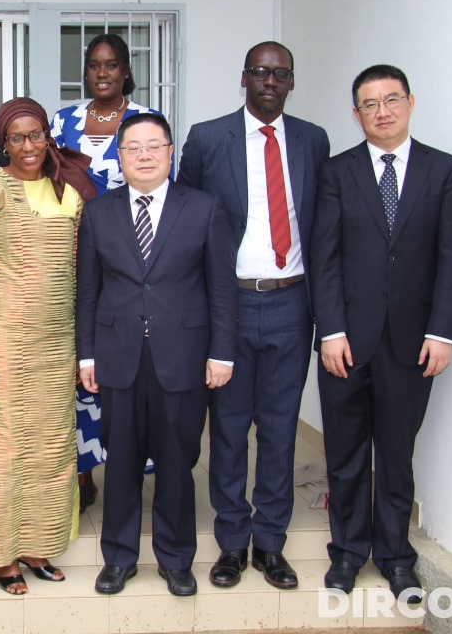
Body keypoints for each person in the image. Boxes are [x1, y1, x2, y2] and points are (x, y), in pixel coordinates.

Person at [311, 65, 452, 602]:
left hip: (411, 342)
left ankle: (397, 557)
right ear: (356, 114)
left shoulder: (443, 171)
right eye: (370, 104)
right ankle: (349, 553)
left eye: (391, 99)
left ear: (410, 102)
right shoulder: (336, 172)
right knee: (347, 453)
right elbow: (324, 259)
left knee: (397, 454)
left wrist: (442, 333)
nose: (382, 111)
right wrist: (330, 330)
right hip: (347, 343)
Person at [177, 41, 330, 590]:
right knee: (230, 430)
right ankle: (231, 544)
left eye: (281, 73)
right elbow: (186, 223)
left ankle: (271, 544)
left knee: (281, 430)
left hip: (292, 300)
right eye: (261, 72)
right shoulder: (207, 138)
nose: (270, 81)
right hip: (230, 303)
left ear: (291, 82)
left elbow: (319, 225)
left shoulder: (313, 140)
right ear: (243, 77)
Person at [76, 112, 237, 597]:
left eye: (153, 146)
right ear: (119, 156)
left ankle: (175, 558)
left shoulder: (205, 207)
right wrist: (86, 357)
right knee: (120, 462)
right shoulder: (100, 212)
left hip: (183, 355)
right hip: (117, 356)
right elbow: (87, 291)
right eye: (133, 148)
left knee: (176, 463)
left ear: (170, 152)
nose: (144, 156)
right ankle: (119, 559)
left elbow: (221, 288)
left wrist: (222, 352)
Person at [0, 97, 96, 595]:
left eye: (36, 135)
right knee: (0, 452)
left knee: (49, 452)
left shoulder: (68, 188)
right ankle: (0, 554)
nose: (28, 147)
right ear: (3, 141)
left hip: (56, 343)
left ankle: (35, 544)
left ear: (48, 136)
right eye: (16, 137)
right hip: (1, 342)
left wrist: (81, 348)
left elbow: (81, 271)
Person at [51, 33, 162, 510]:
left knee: (122, 365)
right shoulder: (63, 121)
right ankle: (78, 471)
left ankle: (128, 467)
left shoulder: (144, 123)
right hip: (69, 259)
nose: (102, 73)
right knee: (77, 363)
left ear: (125, 70)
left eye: (112, 65)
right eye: (94, 65)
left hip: (128, 263)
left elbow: (162, 188)